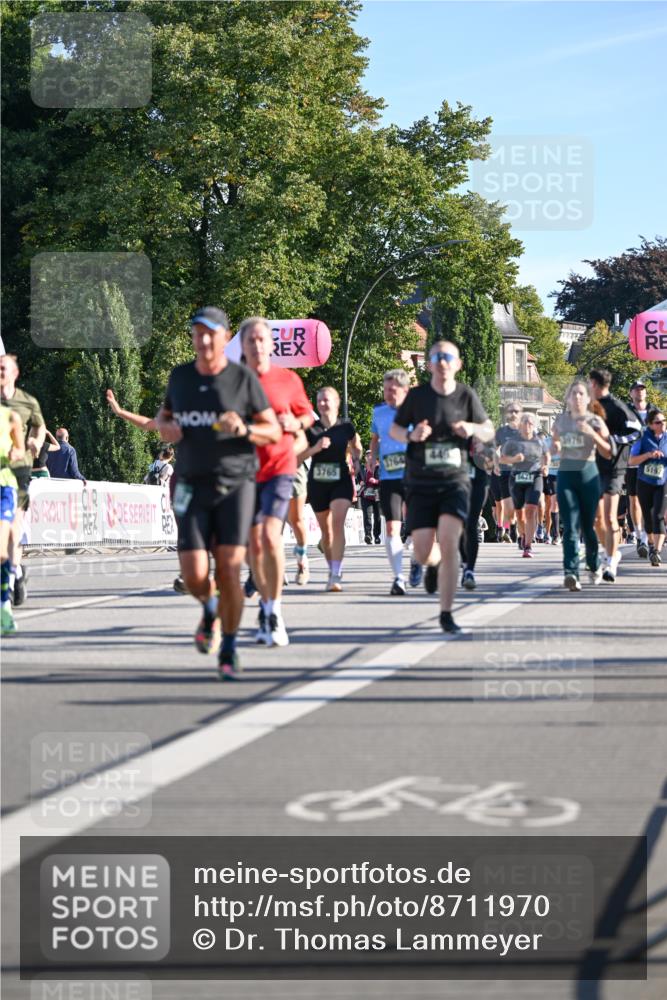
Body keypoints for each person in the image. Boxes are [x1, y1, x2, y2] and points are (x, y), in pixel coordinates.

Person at [155, 306, 280, 679]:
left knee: (228, 568)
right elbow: (164, 417)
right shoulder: (180, 378)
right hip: (191, 485)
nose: (204, 340)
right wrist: (167, 428)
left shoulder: (242, 380)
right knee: (193, 575)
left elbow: (272, 431)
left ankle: (228, 645)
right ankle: (209, 607)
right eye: (198, 333)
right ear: (193, 338)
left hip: (235, 485)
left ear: (226, 339)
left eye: (212, 333)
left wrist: (243, 429)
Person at [390, 340, 495, 634]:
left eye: (447, 356)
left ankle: (446, 613)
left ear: (457, 363)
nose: (442, 361)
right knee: (424, 550)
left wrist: (471, 428)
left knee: (450, 542)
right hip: (421, 482)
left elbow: (488, 430)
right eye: (436, 356)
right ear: (429, 363)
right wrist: (412, 434)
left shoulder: (466, 396)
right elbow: (395, 429)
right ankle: (430, 564)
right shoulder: (417, 396)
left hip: (455, 481)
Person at [240, 317, 313, 646]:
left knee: (270, 535)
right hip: (244, 473)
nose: (256, 345)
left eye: (261, 339)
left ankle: (275, 612)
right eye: (250, 340)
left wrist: (294, 421)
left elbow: (309, 415)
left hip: (280, 467)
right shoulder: (232, 383)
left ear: (271, 345)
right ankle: (266, 604)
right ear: (242, 347)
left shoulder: (288, 379)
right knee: (253, 545)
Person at [551, 380, 612, 591]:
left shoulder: (596, 421)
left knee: (588, 526)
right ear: (568, 399)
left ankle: (594, 564)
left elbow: (608, 452)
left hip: (588, 475)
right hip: (567, 474)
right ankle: (570, 573)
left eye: (581, 394)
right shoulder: (560, 421)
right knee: (570, 526)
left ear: (588, 399)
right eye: (573, 394)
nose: (577, 397)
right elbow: (555, 443)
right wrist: (555, 447)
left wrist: (591, 434)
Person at [301, 387, 362, 592]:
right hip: (318, 483)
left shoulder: (346, 427)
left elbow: (357, 445)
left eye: (326, 400)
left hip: (341, 480)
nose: (323, 404)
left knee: (337, 524)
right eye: (319, 401)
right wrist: (315, 449)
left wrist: (356, 458)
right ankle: (332, 568)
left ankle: (336, 573)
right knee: (326, 532)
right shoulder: (311, 429)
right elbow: (297, 457)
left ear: (336, 402)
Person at [0, 353, 46, 607]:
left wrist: (34, 443)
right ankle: (16, 572)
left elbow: (39, 427)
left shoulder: (27, 402)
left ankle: (13, 576)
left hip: (18, 471)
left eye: (3, 368)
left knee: (13, 527)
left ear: (15, 373)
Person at [589, 368, 641, 582]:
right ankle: (609, 552)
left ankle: (611, 562)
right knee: (595, 519)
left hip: (615, 468)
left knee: (610, 517)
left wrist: (612, 441)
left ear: (595, 384)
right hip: (593, 467)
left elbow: (637, 430)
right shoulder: (589, 407)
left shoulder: (617, 407)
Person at [369, 369, 415, 595]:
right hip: (389, 476)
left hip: (415, 477)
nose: (388, 393)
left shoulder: (416, 413)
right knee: (391, 528)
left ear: (405, 391)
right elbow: (375, 437)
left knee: (417, 527)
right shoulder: (378, 412)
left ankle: (417, 559)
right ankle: (398, 577)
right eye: (386, 389)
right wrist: (372, 458)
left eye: (393, 390)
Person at [501, 412, 549, 558]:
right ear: (521, 424)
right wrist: (514, 458)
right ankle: (522, 535)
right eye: (525, 422)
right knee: (520, 515)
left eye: (530, 423)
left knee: (530, 510)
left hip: (535, 477)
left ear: (534, 425)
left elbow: (546, 455)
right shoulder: (512, 442)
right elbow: (501, 459)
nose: (528, 426)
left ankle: (528, 546)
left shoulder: (539, 441)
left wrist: (545, 466)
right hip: (517, 478)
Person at [628, 409, 667, 567]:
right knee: (649, 518)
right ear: (650, 425)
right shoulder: (643, 439)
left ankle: (657, 551)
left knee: (659, 516)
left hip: (662, 483)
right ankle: (651, 545)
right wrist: (648, 455)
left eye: (664, 420)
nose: (662, 423)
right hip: (644, 482)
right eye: (658, 422)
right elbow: (631, 460)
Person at [1, 405, 25, 636]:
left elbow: (20, 449)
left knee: (1, 550)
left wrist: (14, 454)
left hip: (4, 486)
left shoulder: (10, 417)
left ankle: (4, 605)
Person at [460, 437, 493, 588]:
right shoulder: (449, 424)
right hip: (456, 482)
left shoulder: (482, 427)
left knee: (471, 524)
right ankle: (464, 560)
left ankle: (469, 570)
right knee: (459, 524)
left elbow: (492, 459)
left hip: (478, 481)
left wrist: (486, 454)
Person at [626, 381, 650, 558]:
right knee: (633, 498)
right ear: (631, 393)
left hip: (650, 462)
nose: (639, 392)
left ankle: (647, 534)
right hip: (631, 461)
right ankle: (638, 533)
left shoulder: (654, 411)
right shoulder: (625, 412)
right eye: (636, 389)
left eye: (642, 389)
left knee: (649, 499)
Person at [494, 401, 524, 542]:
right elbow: (494, 450)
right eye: (510, 411)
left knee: (522, 506)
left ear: (521, 413)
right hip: (505, 472)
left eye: (516, 411)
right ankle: (512, 527)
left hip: (522, 473)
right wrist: (496, 463)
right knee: (509, 507)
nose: (513, 414)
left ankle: (519, 532)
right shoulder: (501, 432)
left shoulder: (527, 429)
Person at [360, 453, 382, 545]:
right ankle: (368, 535)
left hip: (377, 493)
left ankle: (377, 536)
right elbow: (358, 477)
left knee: (377, 516)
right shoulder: (362, 468)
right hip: (366, 494)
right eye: (367, 455)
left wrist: (376, 481)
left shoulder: (380, 467)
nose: (369, 457)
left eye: (370, 455)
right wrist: (360, 481)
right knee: (367, 516)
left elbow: (385, 480)